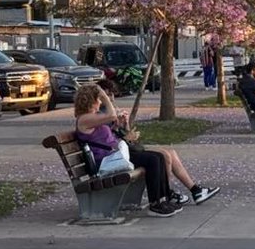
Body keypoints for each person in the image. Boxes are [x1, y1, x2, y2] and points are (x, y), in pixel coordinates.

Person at [74, 83, 181, 217]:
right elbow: (111, 116)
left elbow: (108, 128)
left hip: (115, 156)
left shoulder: (92, 117)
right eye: (99, 99)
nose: (100, 101)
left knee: (159, 156)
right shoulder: (84, 118)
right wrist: (105, 96)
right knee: (152, 160)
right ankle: (155, 204)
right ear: (91, 100)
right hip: (105, 162)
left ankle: (163, 199)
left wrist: (120, 124)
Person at [100, 89, 220, 206]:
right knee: (164, 155)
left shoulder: (109, 115)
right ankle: (166, 194)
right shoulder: (102, 117)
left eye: (111, 94)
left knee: (170, 152)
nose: (111, 98)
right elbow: (115, 143)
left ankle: (195, 190)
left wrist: (125, 124)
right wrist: (127, 136)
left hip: (129, 150)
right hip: (121, 156)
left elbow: (120, 135)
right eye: (107, 95)